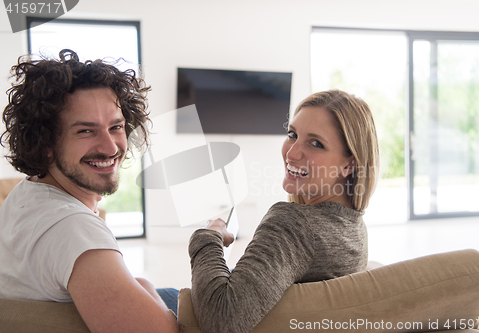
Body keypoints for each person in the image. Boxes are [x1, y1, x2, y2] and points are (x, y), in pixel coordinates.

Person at [0, 49, 179, 333]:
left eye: (116, 126)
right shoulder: (73, 229)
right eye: (85, 131)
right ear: (46, 143)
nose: (110, 148)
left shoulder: (28, 192)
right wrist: (143, 286)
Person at [188, 89, 380, 333]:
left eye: (316, 143)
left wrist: (207, 236)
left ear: (349, 164)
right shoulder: (353, 226)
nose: (291, 153)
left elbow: (220, 320)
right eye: (292, 134)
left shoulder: (293, 224)